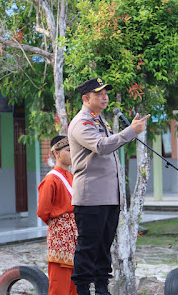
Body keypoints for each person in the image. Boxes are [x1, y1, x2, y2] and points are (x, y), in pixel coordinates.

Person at [68, 77, 150, 295]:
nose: (104, 97)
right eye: (99, 94)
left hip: (109, 197)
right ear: (86, 98)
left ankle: (102, 288)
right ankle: (83, 289)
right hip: (91, 198)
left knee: (104, 249)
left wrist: (129, 133)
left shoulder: (99, 120)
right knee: (88, 247)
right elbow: (102, 147)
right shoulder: (81, 122)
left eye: (105, 93)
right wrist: (131, 131)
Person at [37, 136, 78, 295]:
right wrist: (60, 226)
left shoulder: (72, 176)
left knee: (74, 286)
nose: (72, 154)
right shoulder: (51, 180)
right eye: (68, 150)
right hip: (60, 238)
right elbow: (42, 212)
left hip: (74, 238)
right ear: (56, 153)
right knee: (59, 286)